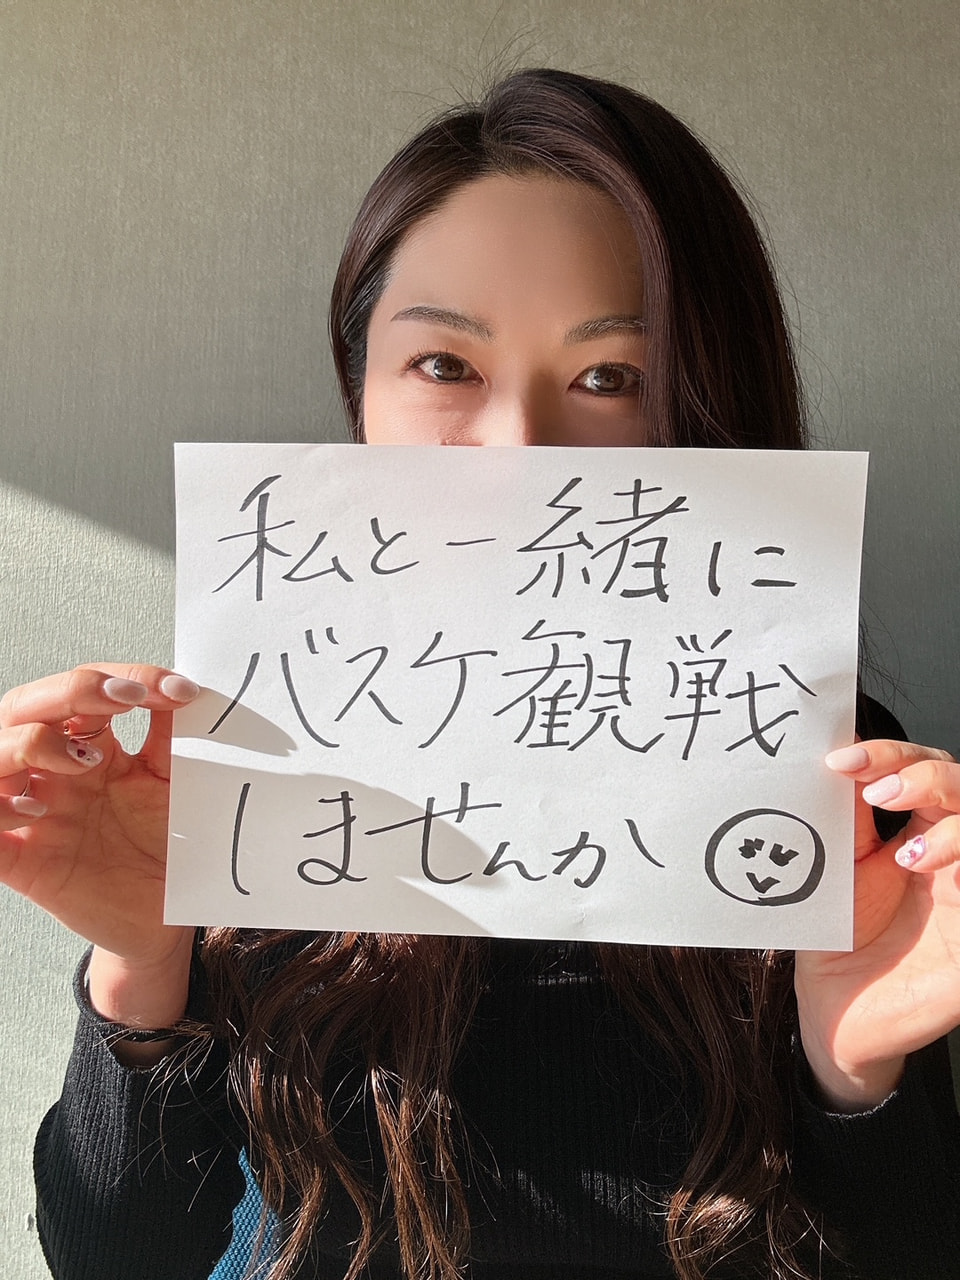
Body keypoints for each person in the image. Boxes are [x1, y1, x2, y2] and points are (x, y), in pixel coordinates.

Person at [4, 67, 959, 1280]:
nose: (520, 447)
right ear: (360, 386)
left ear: (704, 403)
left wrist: (855, 1079)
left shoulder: (828, 767)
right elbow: (115, 1258)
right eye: (445, 365)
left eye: (611, 376)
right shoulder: (243, 751)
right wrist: (143, 973)